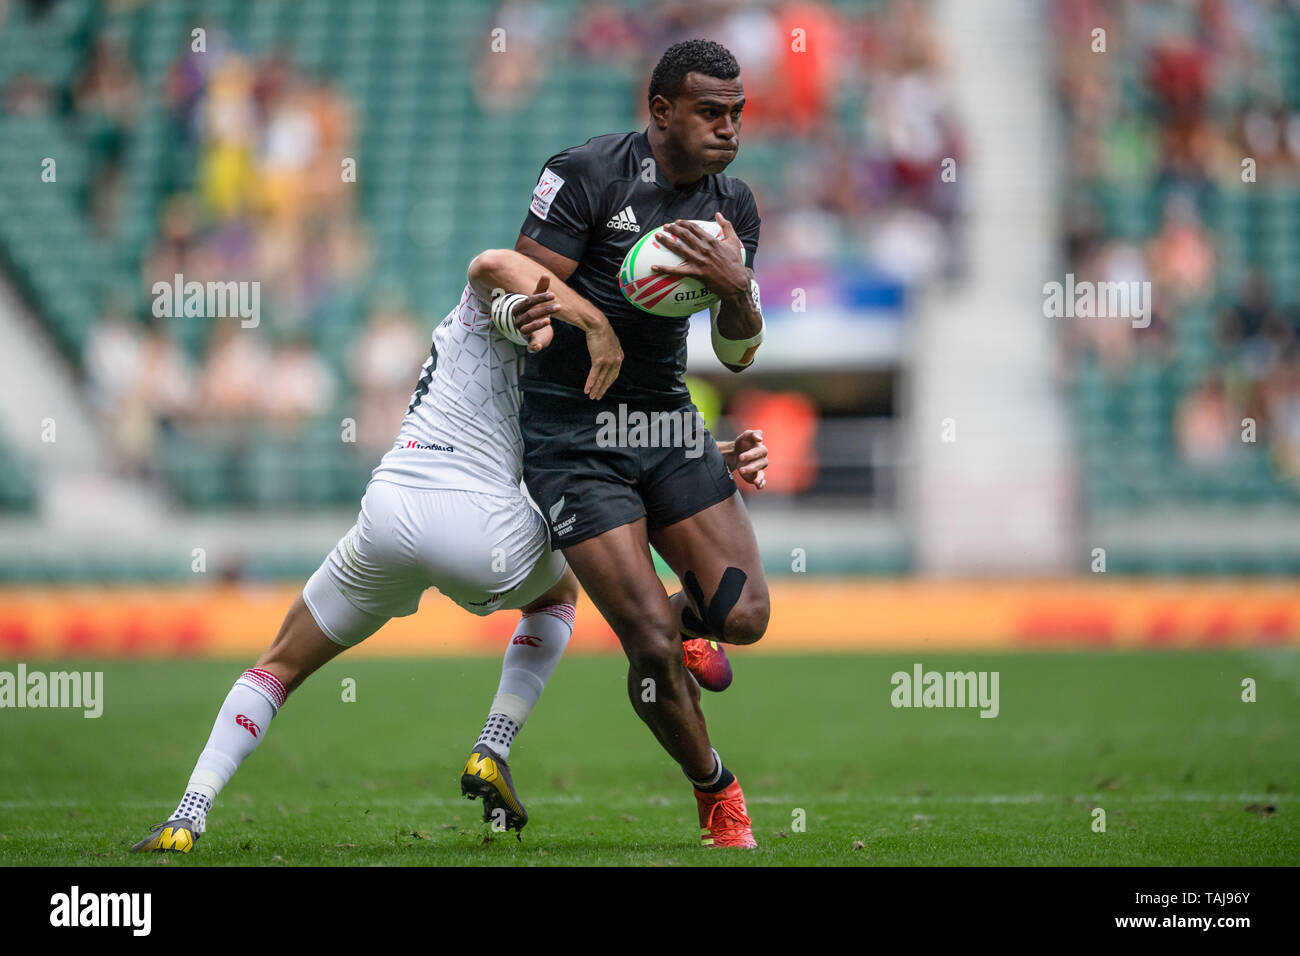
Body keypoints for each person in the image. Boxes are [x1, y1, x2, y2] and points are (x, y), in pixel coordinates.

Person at [130, 249, 769, 852]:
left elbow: (505, 302)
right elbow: (501, 283)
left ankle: (189, 812)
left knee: (277, 666)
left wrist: (708, 453)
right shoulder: (537, 319)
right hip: (478, 535)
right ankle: (501, 739)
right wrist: (586, 321)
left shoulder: (471, 317)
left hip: (387, 511)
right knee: (570, 575)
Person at [487, 38, 771, 848]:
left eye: (737, 114)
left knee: (743, 617)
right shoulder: (587, 174)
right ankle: (716, 790)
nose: (728, 129)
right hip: (572, 431)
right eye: (710, 112)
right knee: (646, 643)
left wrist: (736, 287)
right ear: (661, 111)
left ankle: (685, 622)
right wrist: (594, 317)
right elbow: (517, 276)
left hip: (663, 419)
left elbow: (740, 350)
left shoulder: (734, 207)